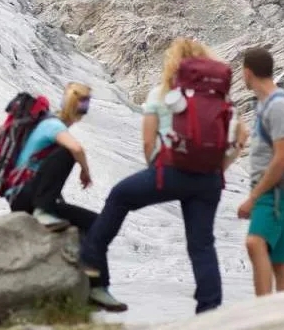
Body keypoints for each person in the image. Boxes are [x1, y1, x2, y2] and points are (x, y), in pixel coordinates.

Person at [78, 37, 247, 314]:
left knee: (120, 196)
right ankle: (210, 308)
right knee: (202, 244)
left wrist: (156, 174)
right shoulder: (220, 100)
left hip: (171, 172)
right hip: (209, 179)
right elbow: (226, 147)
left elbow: (147, 142)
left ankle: (91, 260)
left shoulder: (161, 93)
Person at [236, 46, 284, 297]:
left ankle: (264, 312)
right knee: (279, 259)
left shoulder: (279, 105)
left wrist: (253, 198)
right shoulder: (268, 104)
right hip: (272, 187)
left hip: (273, 188)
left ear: (248, 72)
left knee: (255, 243)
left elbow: (282, 158)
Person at [6, 82, 96, 236]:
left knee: (93, 221)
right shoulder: (53, 126)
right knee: (68, 152)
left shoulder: (48, 123)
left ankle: (47, 210)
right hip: (26, 196)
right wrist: (85, 171)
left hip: (25, 194)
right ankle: (43, 212)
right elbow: (76, 149)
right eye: (84, 106)